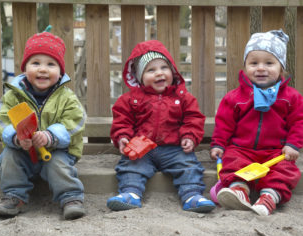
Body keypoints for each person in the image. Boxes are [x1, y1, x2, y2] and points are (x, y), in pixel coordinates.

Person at [106, 40, 216, 213]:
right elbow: (122, 120)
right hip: (141, 148)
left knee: (188, 164)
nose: (159, 73)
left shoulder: (182, 97)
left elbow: (193, 118)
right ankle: (130, 194)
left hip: (174, 148)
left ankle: (192, 196)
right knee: (130, 165)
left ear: (172, 71)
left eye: (164, 68)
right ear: (140, 77)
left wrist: (189, 136)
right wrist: (123, 137)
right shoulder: (131, 99)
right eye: (151, 70)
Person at [0, 26, 86, 220]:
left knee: (58, 164)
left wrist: (51, 136)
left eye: (51, 64)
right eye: (35, 63)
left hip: (56, 150)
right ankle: (14, 196)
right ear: (25, 68)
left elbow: (76, 122)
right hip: (22, 150)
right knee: (9, 158)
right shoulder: (13, 95)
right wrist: (17, 138)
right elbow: (2, 119)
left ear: (60, 72)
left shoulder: (67, 97)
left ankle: (70, 197)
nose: (43, 69)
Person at [210, 29, 303, 216]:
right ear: (245, 66)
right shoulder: (235, 97)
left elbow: (298, 122)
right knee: (232, 161)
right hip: (242, 149)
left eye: (269, 63)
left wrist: (293, 145)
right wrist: (219, 144)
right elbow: (224, 124)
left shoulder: (291, 98)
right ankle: (239, 190)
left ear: (281, 68)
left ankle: (270, 196)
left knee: (286, 170)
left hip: (276, 152)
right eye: (253, 63)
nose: (260, 68)